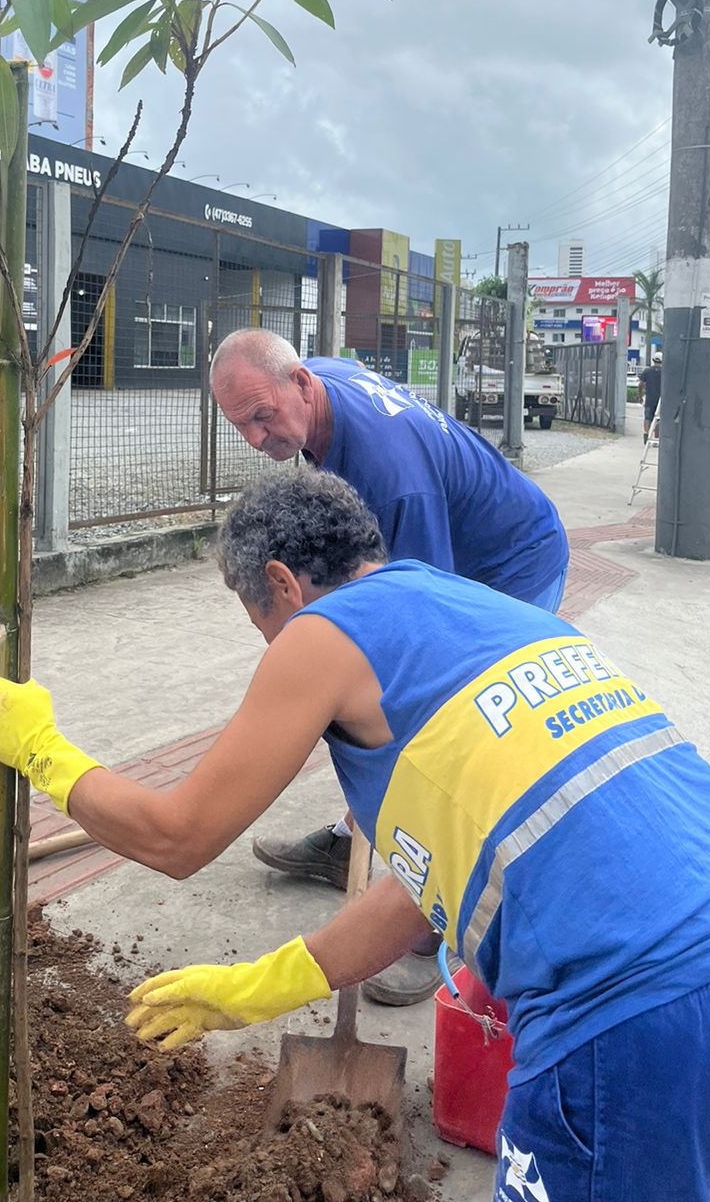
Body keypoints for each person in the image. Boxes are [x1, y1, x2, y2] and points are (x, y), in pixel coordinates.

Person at [0, 471, 710, 1202]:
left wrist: (44, 753)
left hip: (643, 1029)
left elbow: (179, 837)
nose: (270, 644)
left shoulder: (321, 633)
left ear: (281, 584)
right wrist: (257, 988)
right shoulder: (472, 609)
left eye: (258, 621)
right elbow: (429, 887)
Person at [209, 328, 570, 985]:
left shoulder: (393, 481)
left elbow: (419, 635)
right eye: (242, 425)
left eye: (264, 417)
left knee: (444, 734)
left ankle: (433, 927)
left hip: (513, 562)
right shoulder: (314, 379)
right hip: (465, 539)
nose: (258, 440)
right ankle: (349, 846)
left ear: (300, 385)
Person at [637, 353, 662, 444]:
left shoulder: (647, 371)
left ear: (653, 360)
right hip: (660, 400)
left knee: (647, 417)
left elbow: (640, 384)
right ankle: (656, 438)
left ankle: (646, 433)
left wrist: (640, 396)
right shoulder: (664, 372)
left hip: (649, 398)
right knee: (658, 418)